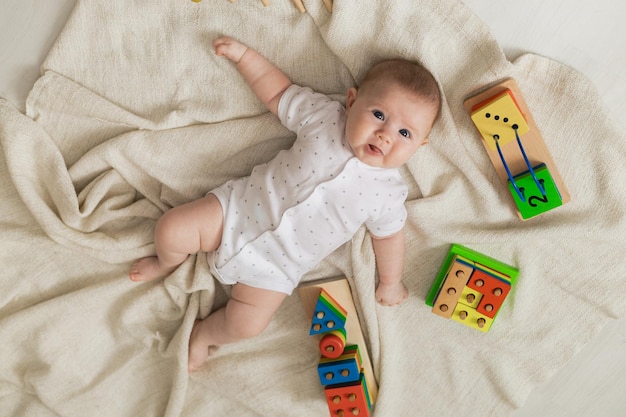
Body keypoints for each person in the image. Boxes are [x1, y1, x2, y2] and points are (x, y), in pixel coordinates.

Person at [129, 36, 441, 371]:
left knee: (247, 325)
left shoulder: (388, 193)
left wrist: (390, 282)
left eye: (405, 134)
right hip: (235, 212)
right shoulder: (325, 119)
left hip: (276, 268)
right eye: (378, 114)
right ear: (351, 102)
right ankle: (166, 262)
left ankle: (205, 335)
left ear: (419, 146)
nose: (385, 134)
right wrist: (245, 56)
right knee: (172, 229)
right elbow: (278, 93)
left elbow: (389, 238)